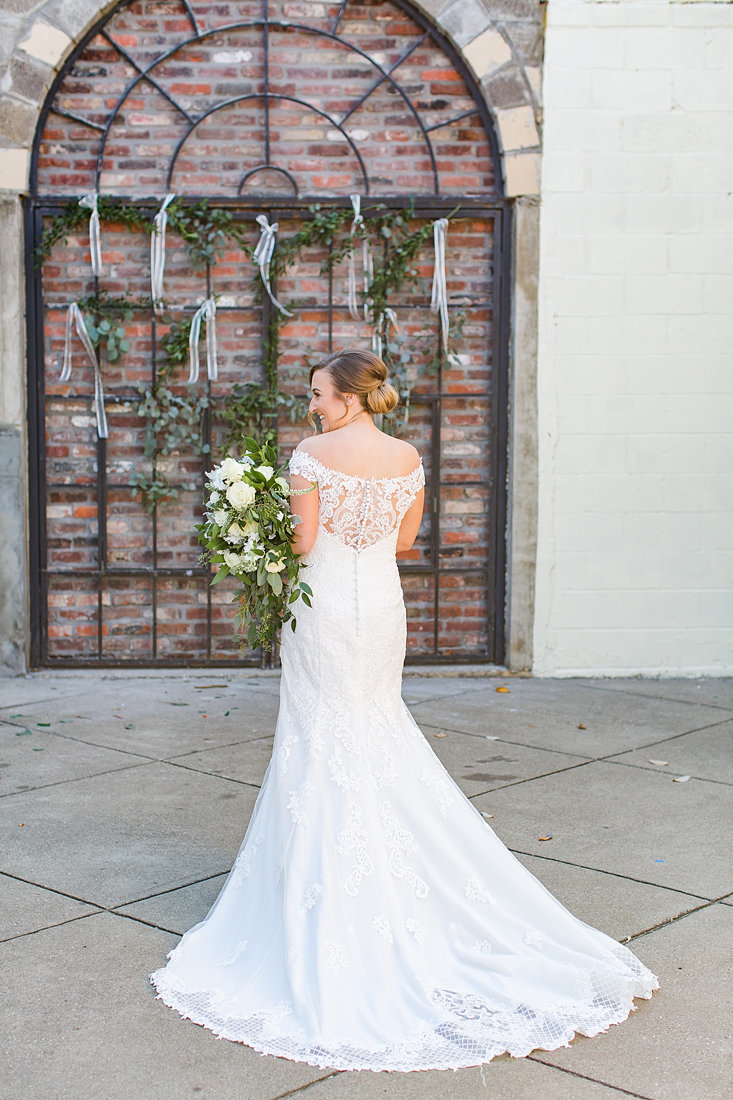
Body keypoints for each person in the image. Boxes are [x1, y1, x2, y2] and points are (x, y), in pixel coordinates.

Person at [150, 348, 658, 1072]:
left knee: (321, 736)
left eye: (319, 393)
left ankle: (327, 889)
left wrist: (252, 542)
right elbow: (406, 540)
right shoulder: (408, 455)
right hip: (381, 605)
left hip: (323, 607)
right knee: (373, 728)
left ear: (348, 397)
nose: (311, 404)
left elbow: (300, 542)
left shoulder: (309, 454)